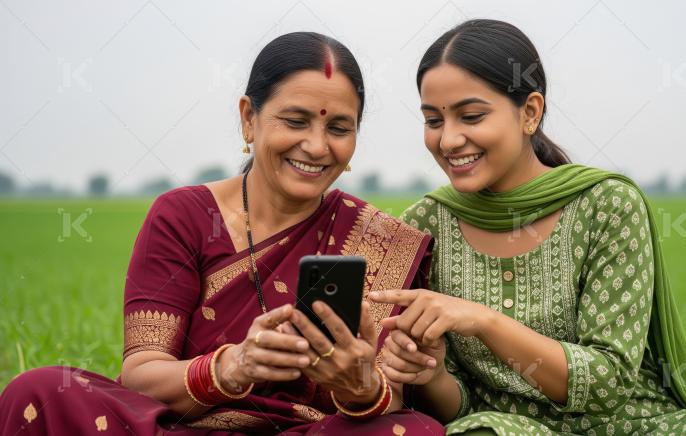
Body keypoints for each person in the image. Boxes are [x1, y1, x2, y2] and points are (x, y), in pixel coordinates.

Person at [0, 32, 442, 435]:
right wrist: (234, 366)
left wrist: (359, 384)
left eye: (339, 128)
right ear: (249, 119)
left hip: (307, 432)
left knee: (415, 431)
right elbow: (143, 373)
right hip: (178, 427)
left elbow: (388, 398)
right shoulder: (183, 215)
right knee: (39, 391)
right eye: (295, 121)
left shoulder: (381, 239)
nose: (316, 145)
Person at [370, 19, 686, 435]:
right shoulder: (424, 226)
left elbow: (608, 383)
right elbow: (454, 405)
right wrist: (433, 374)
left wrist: (484, 320)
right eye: (434, 120)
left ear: (529, 113)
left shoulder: (606, 206)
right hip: (508, 429)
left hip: (634, 426)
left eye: (471, 116)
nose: (448, 141)